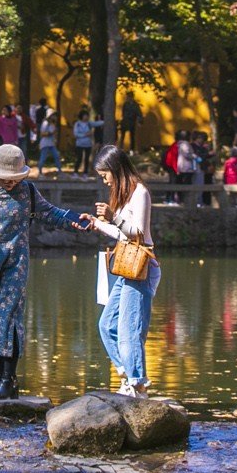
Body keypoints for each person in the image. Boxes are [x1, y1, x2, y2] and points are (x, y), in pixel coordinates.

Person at [0, 143, 88, 398]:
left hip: (15, 263)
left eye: (15, 178)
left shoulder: (28, 191)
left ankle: (9, 381)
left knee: (7, 317)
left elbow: (51, 214)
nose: (11, 183)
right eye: (6, 178)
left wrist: (78, 221)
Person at [84, 145, 159, 396]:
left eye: (105, 174)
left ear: (116, 169)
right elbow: (121, 235)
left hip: (141, 267)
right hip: (126, 266)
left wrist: (113, 215)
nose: (104, 180)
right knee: (107, 325)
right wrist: (98, 224)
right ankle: (127, 374)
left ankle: (138, 383)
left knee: (130, 328)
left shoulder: (140, 193)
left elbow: (137, 232)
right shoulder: (126, 195)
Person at [72, 109, 95, 174]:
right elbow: (76, 134)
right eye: (85, 115)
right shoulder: (77, 124)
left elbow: (96, 123)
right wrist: (85, 135)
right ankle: (75, 172)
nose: (86, 117)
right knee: (79, 158)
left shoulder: (89, 123)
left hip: (88, 144)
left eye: (87, 116)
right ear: (81, 116)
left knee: (87, 159)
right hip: (79, 144)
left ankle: (85, 173)